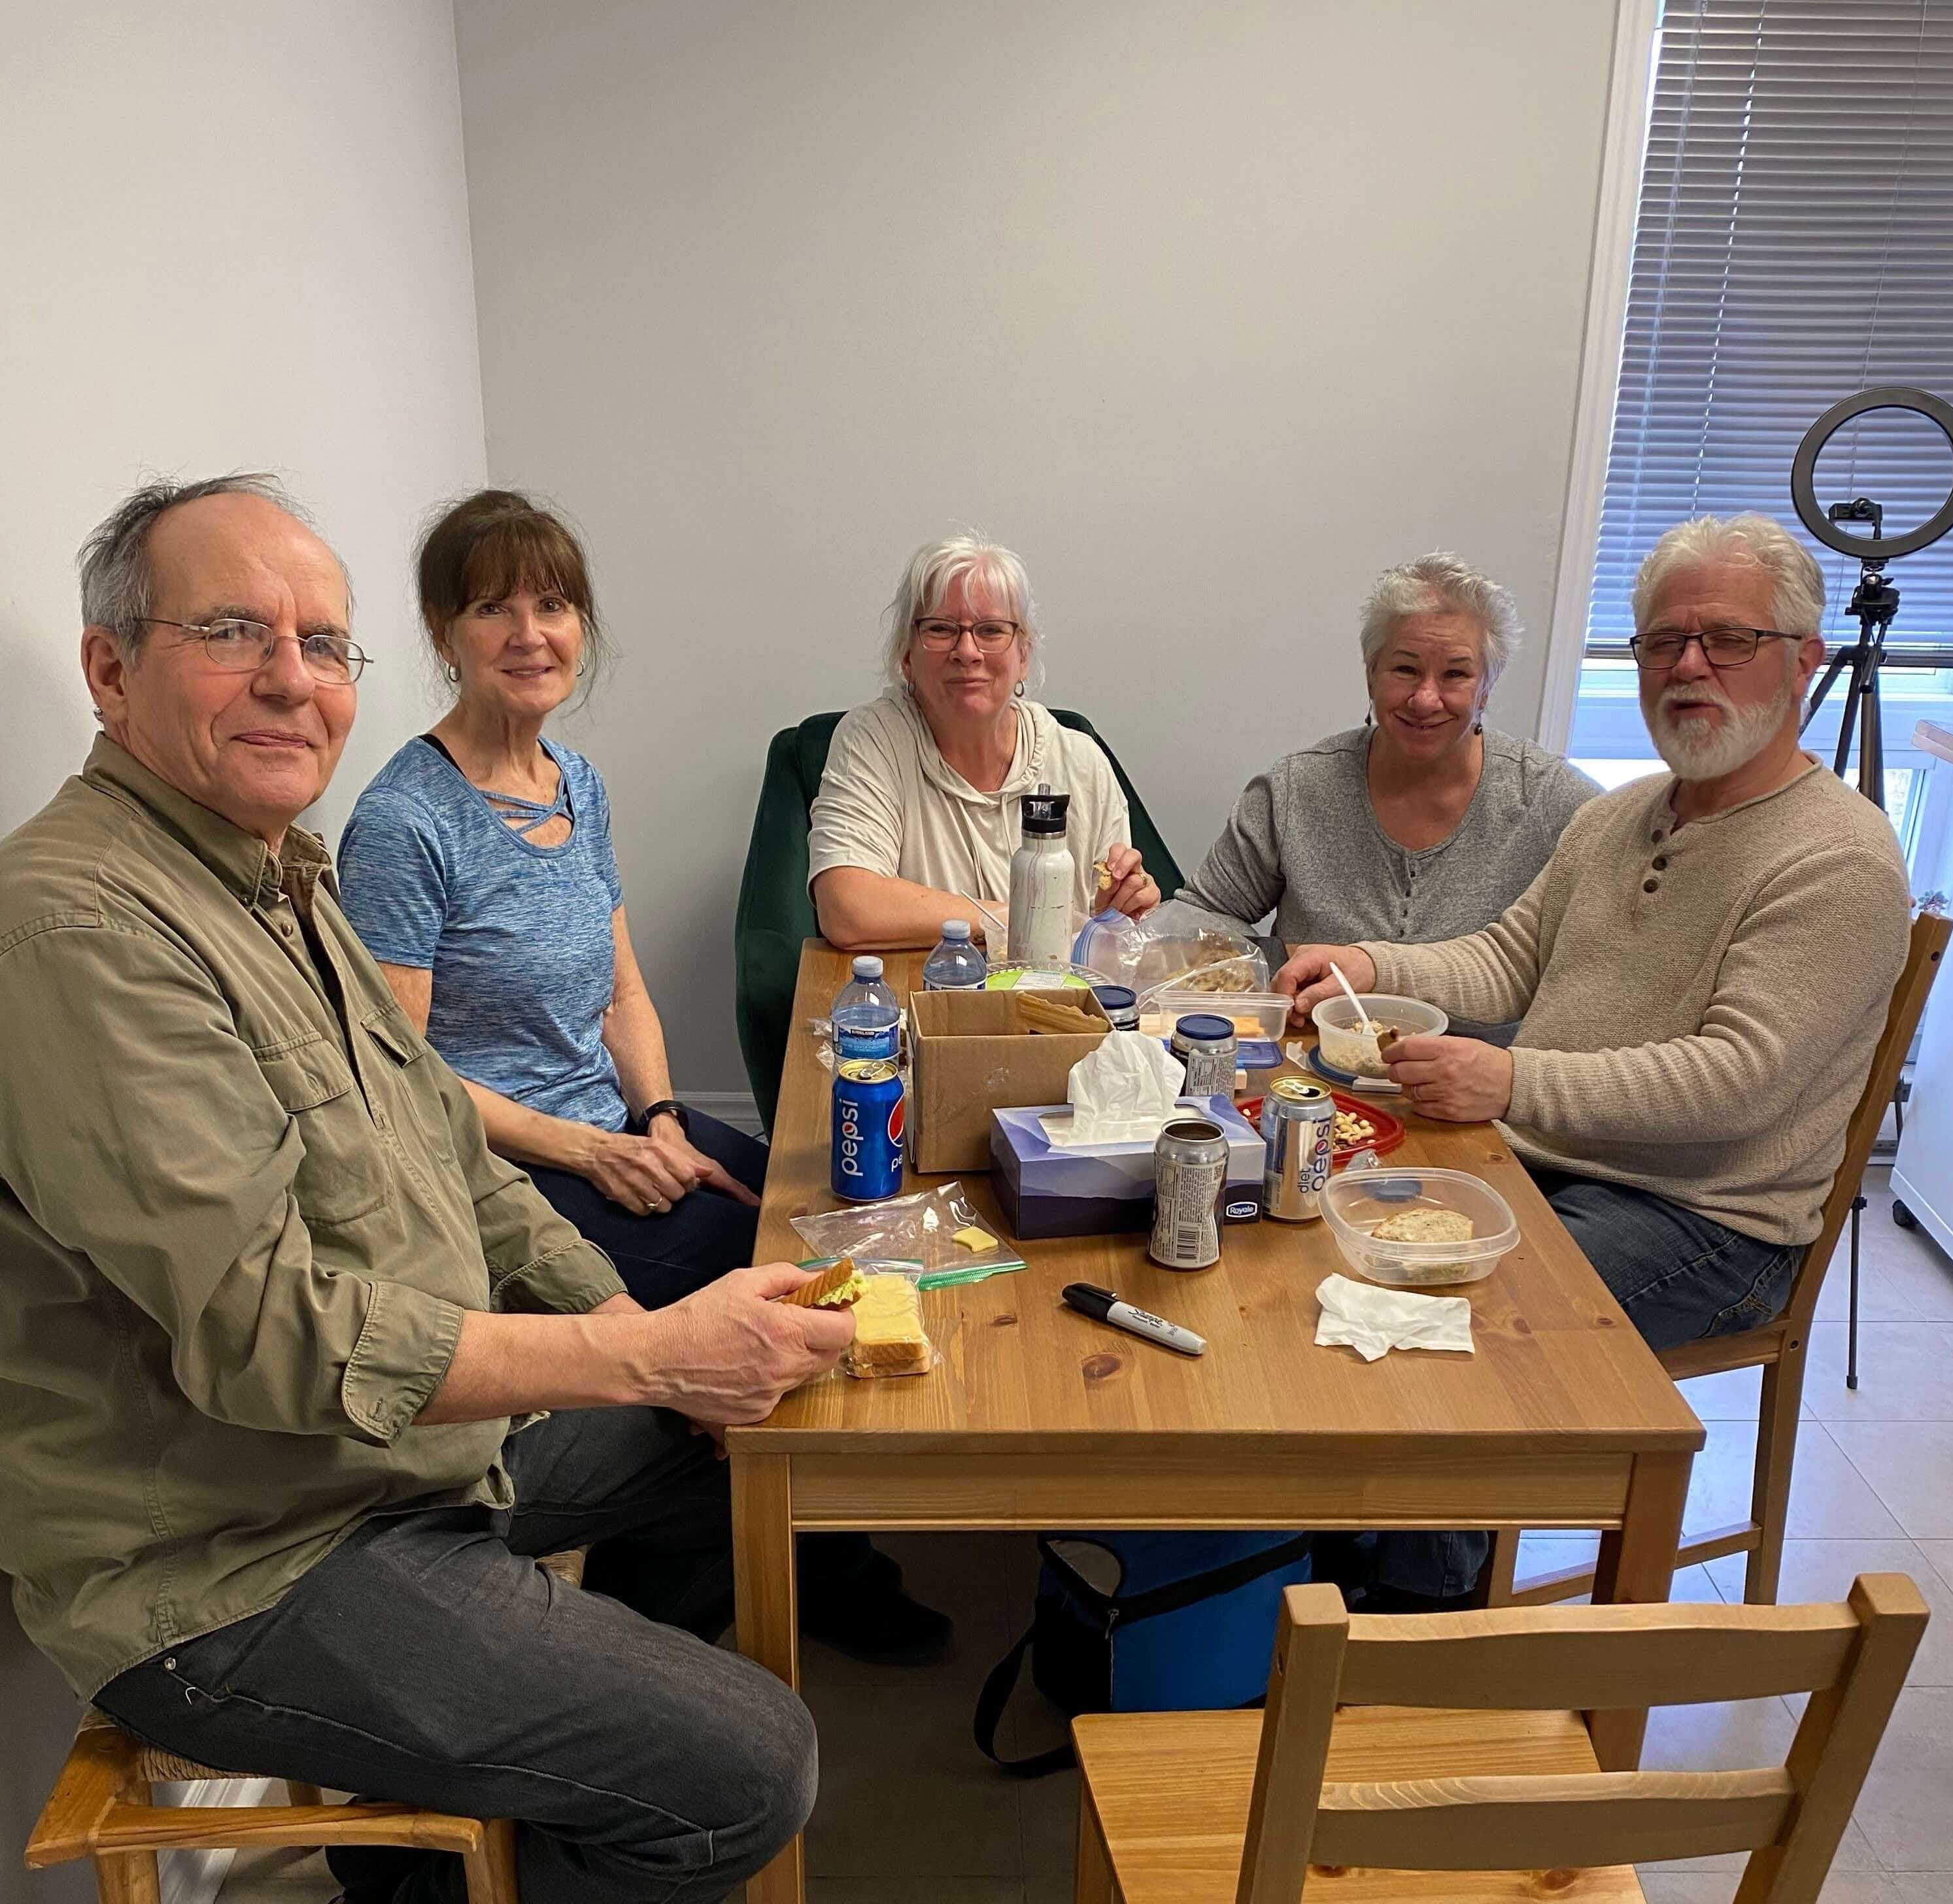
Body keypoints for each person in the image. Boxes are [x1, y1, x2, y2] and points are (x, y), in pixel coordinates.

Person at [0, 476, 847, 1904]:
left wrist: (656, 1352)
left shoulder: (282, 875)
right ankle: (545, 1751)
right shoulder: (79, 926)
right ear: (109, 669)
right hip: (241, 1557)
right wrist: (639, 1346)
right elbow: (273, 1336)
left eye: (324, 645)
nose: (291, 679)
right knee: (756, 1766)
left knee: (745, 1446)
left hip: (399, 1457)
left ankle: (502, 1777)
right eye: (230, 632)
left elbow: (461, 1170)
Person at [336, 488, 949, 1665]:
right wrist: (592, 1149)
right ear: (441, 630)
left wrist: (660, 1114)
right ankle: (679, 1597)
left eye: (553, 603)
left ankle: (784, 1544)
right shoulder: (404, 824)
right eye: (492, 606)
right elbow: (401, 1079)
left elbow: (622, 991)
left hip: (616, 1128)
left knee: (829, 1222)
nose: (530, 631)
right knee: (760, 1290)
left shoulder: (577, 783)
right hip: (501, 1179)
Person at [1282, 513, 1912, 1352]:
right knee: (1308, 1235)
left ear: (1804, 661)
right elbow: (1510, 959)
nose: (1688, 666)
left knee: (1416, 1327)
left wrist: (1510, 1081)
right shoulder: (1617, 815)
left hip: (1706, 1223)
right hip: (1544, 1159)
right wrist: (1370, 960)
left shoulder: (1840, 857)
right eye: (1663, 641)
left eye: (1728, 638)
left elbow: (1737, 1081)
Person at [1180, 551, 1597, 1038]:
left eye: (1456, 675)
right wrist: (1269, 964)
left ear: (1487, 687)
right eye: (1404, 670)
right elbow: (1200, 917)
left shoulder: (1555, 804)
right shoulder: (1296, 790)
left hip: (1474, 1096)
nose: (1425, 699)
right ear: (1371, 675)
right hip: (1307, 1079)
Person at [809, 532, 1161, 950]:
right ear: (906, 656)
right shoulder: (873, 741)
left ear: (1023, 656)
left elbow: (1113, 938)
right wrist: (1017, 918)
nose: (967, 651)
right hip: (923, 1002)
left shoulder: (1081, 761)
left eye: (991, 631)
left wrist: (1119, 913)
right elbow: (849, 909)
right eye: (940, 630)